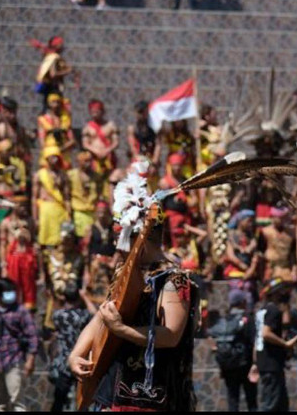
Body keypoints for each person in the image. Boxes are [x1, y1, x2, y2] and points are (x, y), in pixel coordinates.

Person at [69, 163, 198, 411]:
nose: (117, 244)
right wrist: (76, 354)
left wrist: (121, 329)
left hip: (152, 396)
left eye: (122, 236)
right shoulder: (124, 272)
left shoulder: (174, 279)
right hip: (114, 390)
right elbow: (102, 316)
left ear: (140, 237)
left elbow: (171, 335)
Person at [0, 278, 39, 412]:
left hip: (13, 360)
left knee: (17, 402)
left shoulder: (20, 311)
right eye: (7, 292)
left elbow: (32, 335)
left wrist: (30, 359)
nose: (10, 295)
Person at [208, 289, 257, 412]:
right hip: (245, 364)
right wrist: (255, 364)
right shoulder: (247, 318)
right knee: (251, 399)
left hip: (228, 365)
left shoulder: (225, 319)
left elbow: (214, 341)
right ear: (242, 302)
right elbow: (253, 341)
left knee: (232, 398)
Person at [254, 279, 297, 412]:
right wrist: (285, 344)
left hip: (265, 362)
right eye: (281, 291)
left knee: (280, 403)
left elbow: (257, 339)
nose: (284, 293)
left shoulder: (261, 310)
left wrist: (255, 362)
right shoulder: (273, 310)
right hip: (271, 363)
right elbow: (265, 334)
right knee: (271, 404)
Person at [50, 283, 97, 412]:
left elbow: (54, 313)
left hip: (62, 362)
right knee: (82, 399)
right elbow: (96, 315)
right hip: (80, 360)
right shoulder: (83, 315)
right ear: (78, 298)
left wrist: (59, 298)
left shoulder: (58, 315)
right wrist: (85, 297)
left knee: (58, 399)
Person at [32, 145, 71, 248]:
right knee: (44, 240)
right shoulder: (40, 175)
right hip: (45, 210)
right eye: (52, 156)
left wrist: (69, 214)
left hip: (59, 210)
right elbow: (34, 198)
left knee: (61, 240)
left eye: (57, 156)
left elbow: (67, 197)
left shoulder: (63, 175)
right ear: (47, 158)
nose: (55, 159)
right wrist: (35, 217)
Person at [83, 201, 116, 305]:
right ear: (96, 213)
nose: (102, 214)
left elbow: (117, 246)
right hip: (96, 266)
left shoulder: (112, 228)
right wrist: (86, 271)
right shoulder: (90, 229)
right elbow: (86, 251)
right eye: (99, 212)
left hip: (110, 265)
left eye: (104, 212)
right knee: (97, 292)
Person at [82, 99, 119, 183]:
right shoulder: (88, 127)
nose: (94, 114)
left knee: (110, 180)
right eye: (92, 112)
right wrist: (96, 151)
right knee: (95, 181)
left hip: (108, 157)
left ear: (102, 111)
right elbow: (85, 144)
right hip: (94, 158)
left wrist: (107, 151)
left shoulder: (110, 125)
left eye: (97, 111)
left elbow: (116, 142)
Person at [37, 92, 75, 168]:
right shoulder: (43, 120)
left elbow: (72, 140)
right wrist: (50, 152)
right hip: (49, 152)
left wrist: (62, 149)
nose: (56, 105)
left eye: (58, 102)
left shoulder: (65, 120)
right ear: (49, 104)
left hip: (63, 152)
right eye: (53, 102)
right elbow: (42, 141)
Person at [3, 228, 38, 311]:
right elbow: (7, 259)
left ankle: (29, 307)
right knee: (13, 287)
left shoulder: (30, 248)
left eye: (23, 237)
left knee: (28, 288)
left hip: (27, 271)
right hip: (14, 271)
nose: (22, 238)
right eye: (20, 236)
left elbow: (33, 260)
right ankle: (11, 304)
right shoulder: (11, 247)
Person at [261, 206, 297, 283]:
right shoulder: (265, 232)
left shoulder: (291, 233)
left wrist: (294, 270)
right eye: (279, 217)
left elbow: (293, 253)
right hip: (270, 270)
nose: (281, 220)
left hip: (286, 271)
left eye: (283, 217)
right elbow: (260, 251)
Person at [68, 151, 99, 239]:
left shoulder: (96, 176)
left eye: (90, 161)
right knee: (80, 238)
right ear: (78, 162)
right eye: (85, 161)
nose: (88, 164)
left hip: (92, 212)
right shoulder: (71, 175)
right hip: (78, 212)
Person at [127, 100, 161, 165]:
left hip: (151, 158)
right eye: (139, 112)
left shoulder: (155, 127)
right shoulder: (133, 128)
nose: (142, 115)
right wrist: (137, 158)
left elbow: (158, 145)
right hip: (138, 159)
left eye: (143, 112)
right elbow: (132, 146)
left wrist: (154, 161)